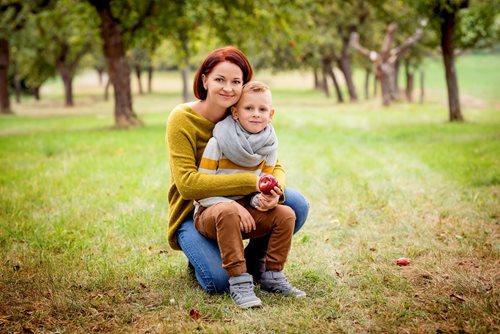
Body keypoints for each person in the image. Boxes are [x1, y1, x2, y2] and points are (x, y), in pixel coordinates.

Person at [165, 46, 309, 298]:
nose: (228, 88)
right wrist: (252, 182)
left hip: (243, 203)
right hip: (194, 212)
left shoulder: (245, 116)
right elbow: (187, 185)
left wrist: (274, 190)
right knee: (219, 282)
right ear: (205, 79)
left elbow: (275, 165)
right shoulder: (182, 118)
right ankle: (202, 254)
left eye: (236, 82)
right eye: (219, 79)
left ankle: (254, 261)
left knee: (294, 204)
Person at [194, 81, 305, 308]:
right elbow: (201, 190)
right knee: (227, 211)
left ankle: (272, 275)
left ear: (271, 114)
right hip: (210, 211)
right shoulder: (218, 143)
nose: (256, 114)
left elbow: (260, 185)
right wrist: (233, 206)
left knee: (285, 213)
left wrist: (263, 199)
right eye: (249, 108)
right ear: (235, 112)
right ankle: (239, 282)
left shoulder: (269, 145)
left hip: (246, 207)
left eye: (262, 109)